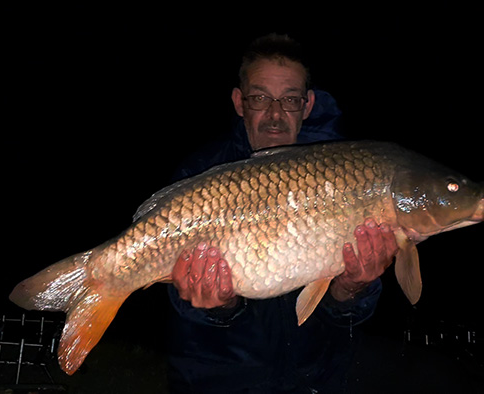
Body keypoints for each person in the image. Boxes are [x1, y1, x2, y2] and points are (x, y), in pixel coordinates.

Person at [167, 33, 398, 393]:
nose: (275, 114)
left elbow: (346, 317)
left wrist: (351, 289)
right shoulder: (199, 173)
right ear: (239, 102)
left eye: (289, 100)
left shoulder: (347, 173)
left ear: (307, 105)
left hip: (319, 378)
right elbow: (184, 311)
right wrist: (219, 308)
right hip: (219, 380)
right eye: (260, 98)